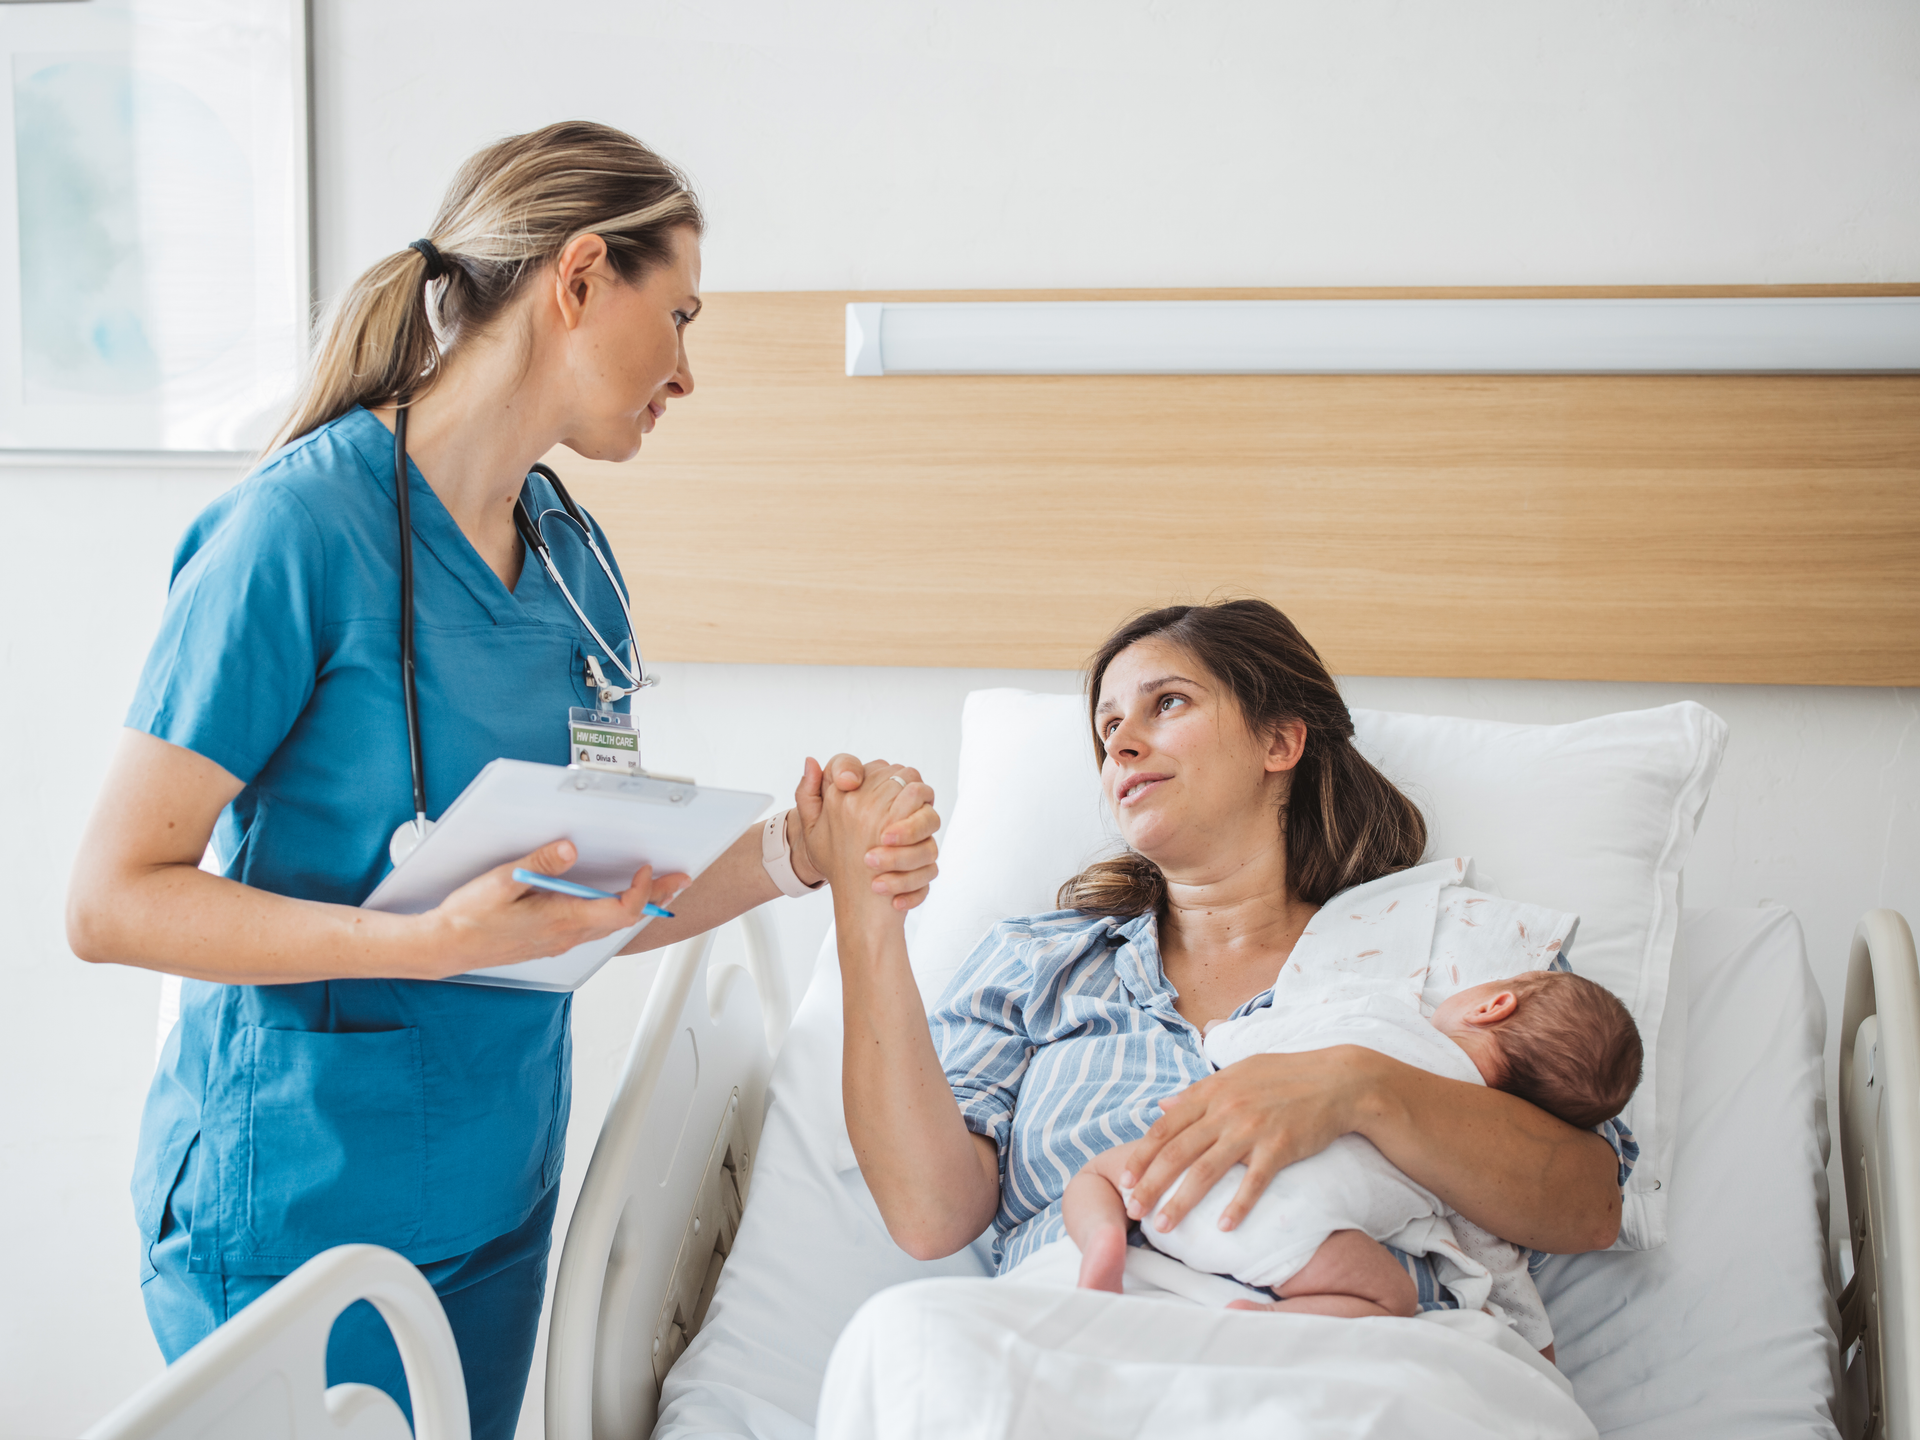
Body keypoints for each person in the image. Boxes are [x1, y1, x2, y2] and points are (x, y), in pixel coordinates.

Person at [64, 122, 941, 1439]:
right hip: (302, 1207)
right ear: (580, 279)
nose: (688, 373)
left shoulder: (575, 564)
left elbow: (602, 886)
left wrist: (792, 853)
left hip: (495, 1196)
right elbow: (111, 902)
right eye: (681, 314)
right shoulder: (294, 537)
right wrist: (412, 942)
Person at [803, 597, 1635, 1356]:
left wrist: (1359, 1087)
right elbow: (929, 1215)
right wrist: (867, 920)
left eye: (1167, 704)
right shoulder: (1040, 964)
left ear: (1280, 741)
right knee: (901, 1339)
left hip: (1351, 1350)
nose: (1122, 742)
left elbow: (1590, 1205)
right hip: (1086, 1334)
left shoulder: (1454, 944)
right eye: (1107, 728)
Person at [1063, 968, 1643, 1334]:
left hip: (1175, 1185)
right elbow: (1498, 1269)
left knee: (1098, 1172)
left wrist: (1219, 1032)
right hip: (1293, 1244)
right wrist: (1537, 1347)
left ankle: (1106, 1238)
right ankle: (1268, 1323)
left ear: (1493, 1006)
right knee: (1386, 1296)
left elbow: (1253, 1044)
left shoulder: (1379, 1014)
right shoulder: (1473, 1160)